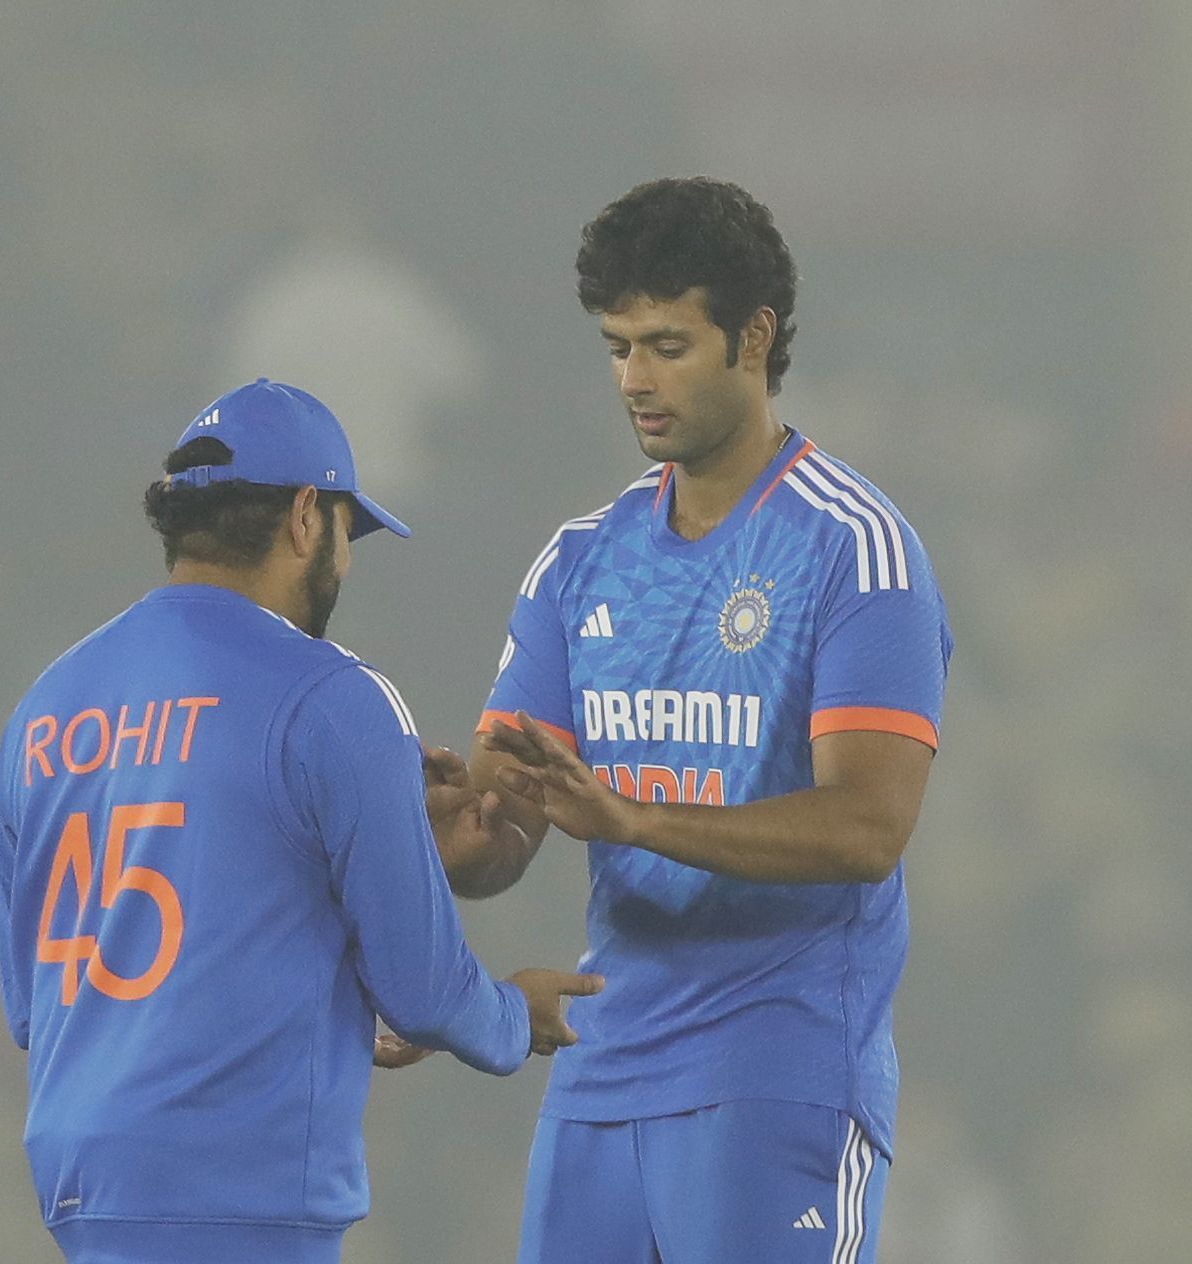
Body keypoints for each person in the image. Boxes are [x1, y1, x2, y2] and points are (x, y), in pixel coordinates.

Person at [448, 178, 952, 1263]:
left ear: (755, 337)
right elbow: (509, 825)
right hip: (601, 1071)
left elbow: (868, 827)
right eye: (617, 345)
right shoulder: (578, 559)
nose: (634, 378)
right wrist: (452, 828)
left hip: (779, 1072)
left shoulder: (853, 546)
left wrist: (630, 818)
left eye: (667, 344)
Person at [0, 378, 602, 1264]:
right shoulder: (331, 697)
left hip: (86, 1186)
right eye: (350, 535)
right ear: (307, 516)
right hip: (239, 1194)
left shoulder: (43, 709)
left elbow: (34, 1003)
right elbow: (426, 991)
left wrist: (333, 987)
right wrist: (516, 1018)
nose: (345, 564)